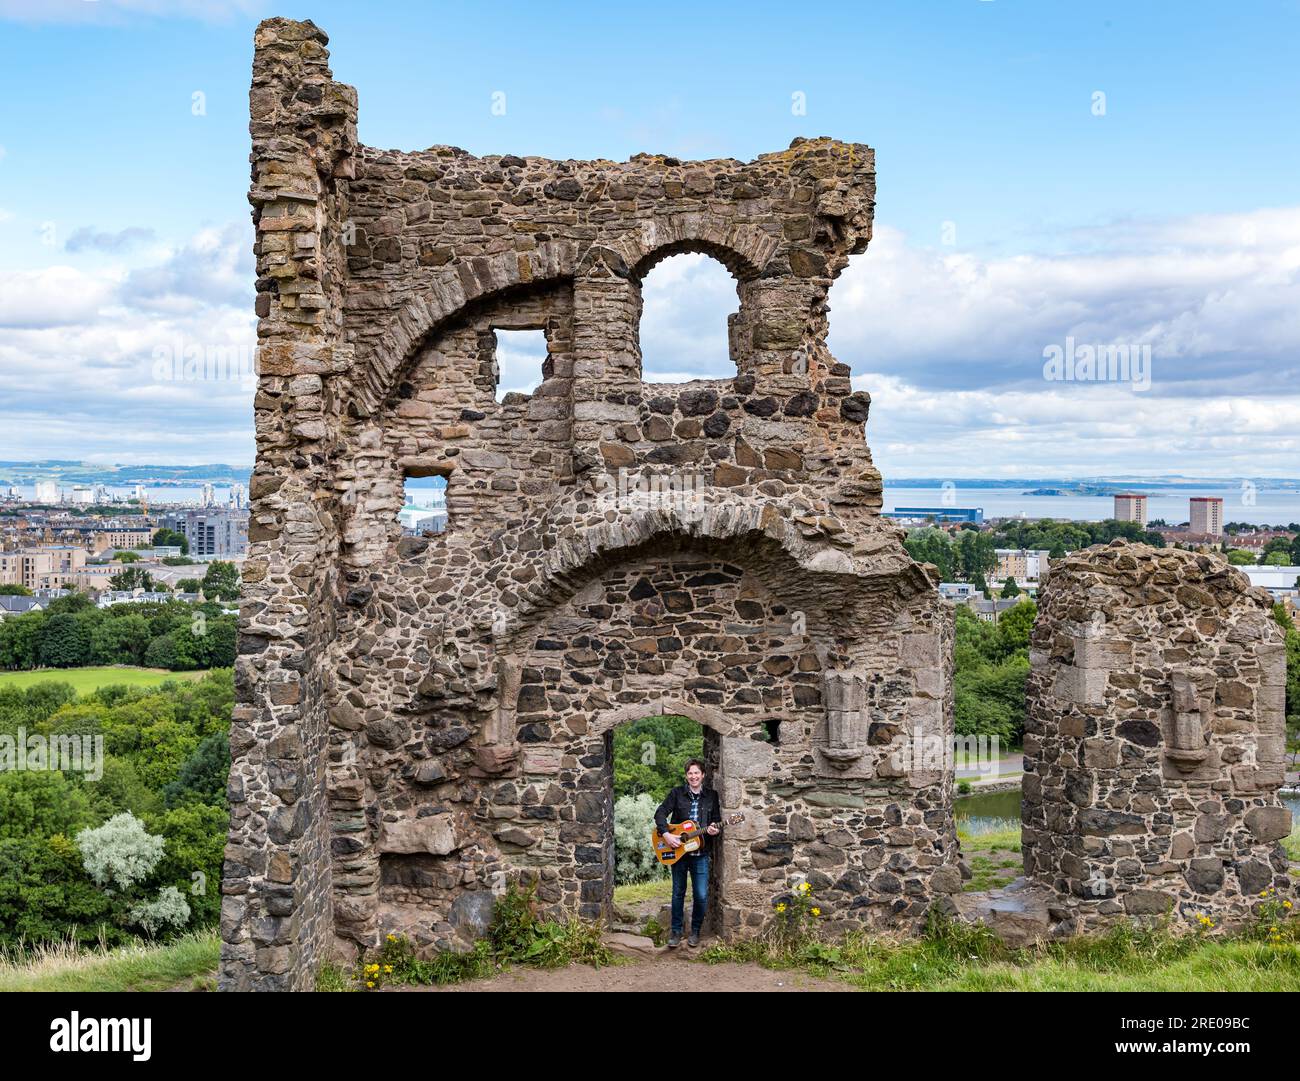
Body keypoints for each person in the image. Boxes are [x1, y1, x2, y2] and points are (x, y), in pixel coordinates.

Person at [654, 758, 721, 948]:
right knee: (678, 893)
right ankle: (675, 932)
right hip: (679, 853)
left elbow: (715, 819)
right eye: (690, 773)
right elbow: (660, 813)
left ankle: (696, 931)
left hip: (700, 853)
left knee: (700, 895)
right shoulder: (676, 794)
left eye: (696, 773)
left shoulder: (712, 796)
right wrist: (666, 834)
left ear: (703, 775)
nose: (693, 776)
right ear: (686, 776)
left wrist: (715, 829)